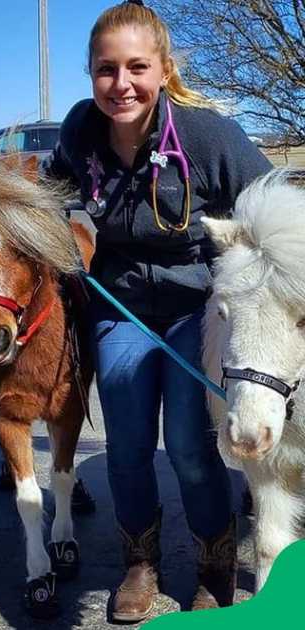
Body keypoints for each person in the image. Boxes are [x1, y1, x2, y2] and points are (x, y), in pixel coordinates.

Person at [45, 0, 271, 622]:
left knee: (191, 447)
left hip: (199, 304)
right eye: (106, 70)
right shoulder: (78, 130)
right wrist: (51, 224)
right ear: (90, 73)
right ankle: (140, 564)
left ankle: (213, 564)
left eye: (137, 67)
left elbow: (273, 206)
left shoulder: (206, 134)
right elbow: (54, 189)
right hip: (122, 304)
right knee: (126, 444)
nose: (122, 85)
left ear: (164, 70)